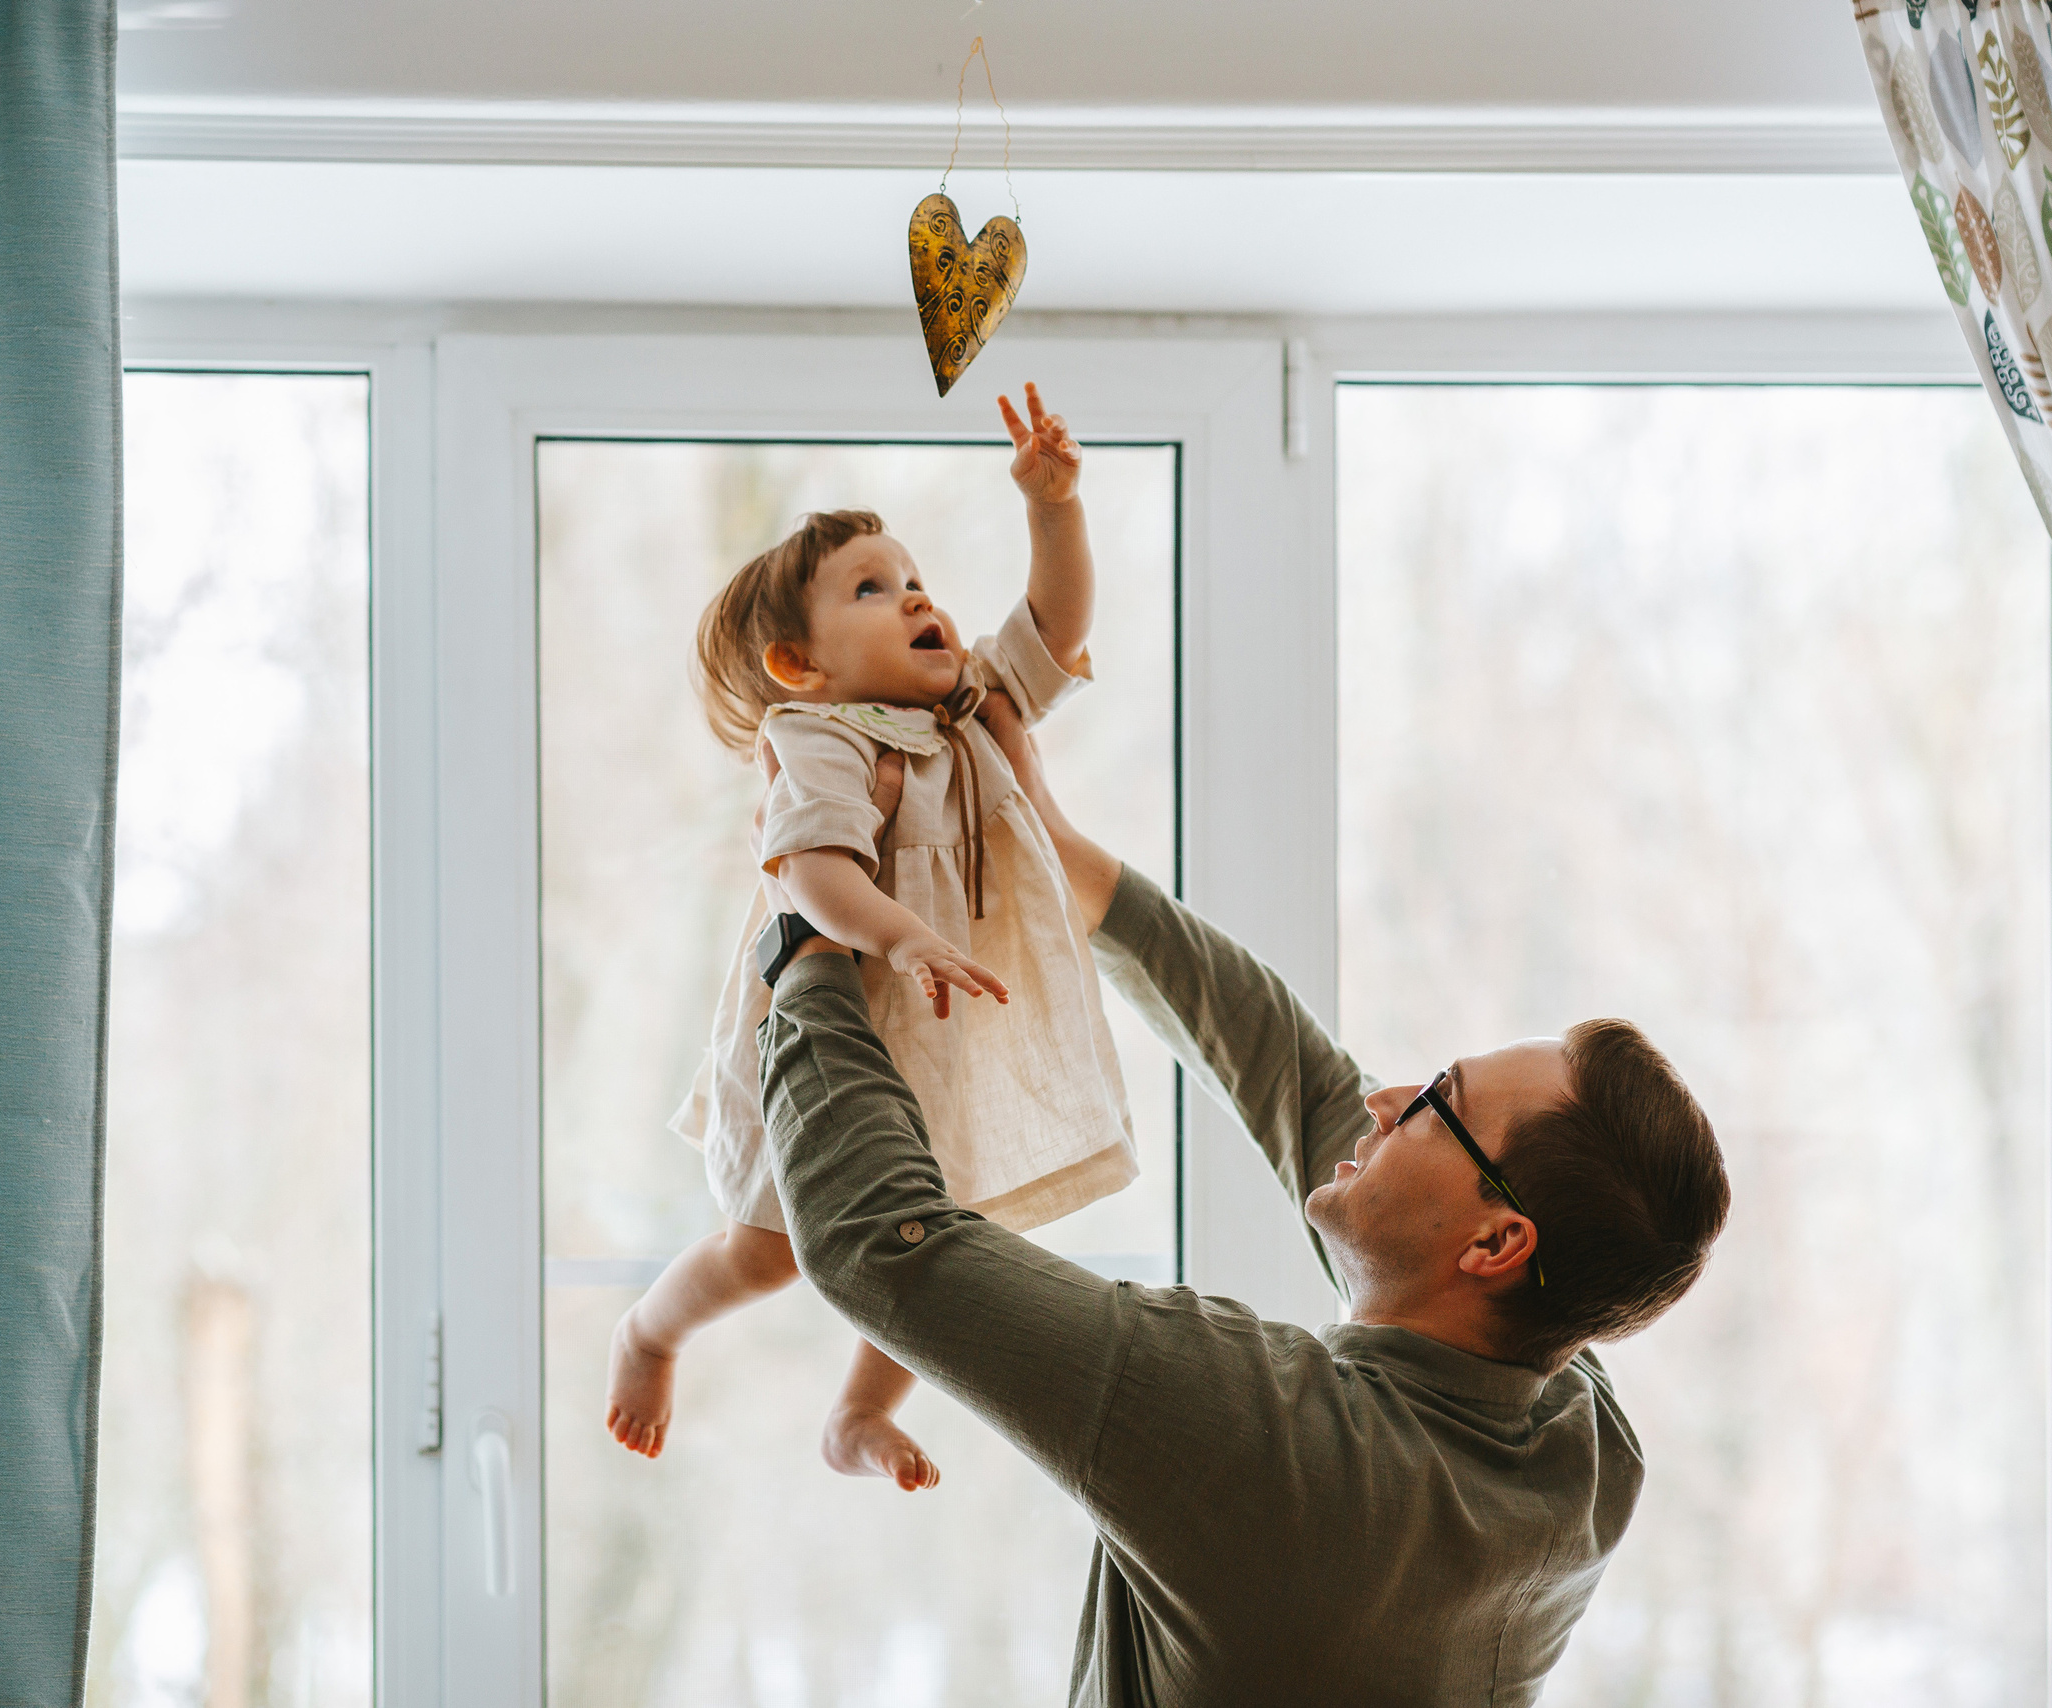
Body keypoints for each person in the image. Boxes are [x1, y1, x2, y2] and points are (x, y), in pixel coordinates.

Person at [753, 700, 1734, 1706]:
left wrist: (806, 939)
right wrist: (1059, 852)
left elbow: (885, 1245)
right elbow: (1296, 1074)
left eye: (1438, 1101)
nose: (1385, 1098)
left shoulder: (1262, 1443)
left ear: (1493, 1241)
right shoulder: (1584, 1449)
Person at [606, 383, 1139, 1491]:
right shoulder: (822, 733)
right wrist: (899, 938)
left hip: (941, 1037)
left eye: (914, 582)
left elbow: (1058, 622)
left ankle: (856, 1413)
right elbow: (809, 871)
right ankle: (651, 1331)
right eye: (870, 590)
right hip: (829, 1026)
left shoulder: (972, 710)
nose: (912, 599)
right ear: (801, 667)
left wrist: (1053, 507)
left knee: (928, 1243)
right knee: (767, 1249)